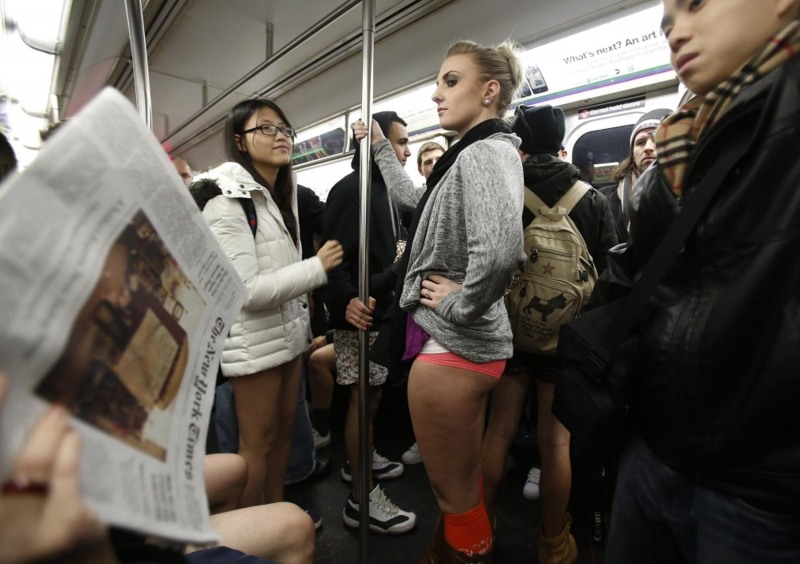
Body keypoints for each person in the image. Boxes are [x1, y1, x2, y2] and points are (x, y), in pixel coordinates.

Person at [601, 1, 800, 562]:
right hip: (653, 448)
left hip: (766, 490)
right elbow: (647, 272)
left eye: (695, 5)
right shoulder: (681, 140)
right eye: (665, 25)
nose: (676, 33)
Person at [354, 39, 525, 562]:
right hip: (463, 347)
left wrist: (458, 304)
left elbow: (500, 254)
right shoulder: (470, 155)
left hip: (455, 345)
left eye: (451, 81)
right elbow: (418, 206)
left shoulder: (484, 153)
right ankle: (461, 545)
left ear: (489, 91)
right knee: (462, 487)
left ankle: (468, 550)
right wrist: (382, 149)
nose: (436, 93)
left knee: (452, 497)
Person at [480, 105, 617, 564]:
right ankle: (554, 543)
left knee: (497, 431)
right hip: (567, 337)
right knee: (555, 442)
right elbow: (609, 274)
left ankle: (483, 528)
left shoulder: (508, 191)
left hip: (512, 331)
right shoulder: (593, 198)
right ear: (561, 140)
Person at [197, 98, 343, 506]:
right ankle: (251, 532)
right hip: (253, 338)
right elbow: (247, 290)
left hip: (284, 334)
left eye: (284, 128)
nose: (280, 136)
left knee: (282, 432)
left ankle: (275, 513)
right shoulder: (226, 199)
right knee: (257, 444)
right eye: (265, 128)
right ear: (239, 141)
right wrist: (317, 268)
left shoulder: (279, 194)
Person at [321, 110, 416, 535]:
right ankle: (361, 499)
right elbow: (331, 258)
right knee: (363, 400)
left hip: (381, 308)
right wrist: (345, 302)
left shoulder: (385, 193)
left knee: (372, 400)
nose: (406, 151)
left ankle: (363, 457)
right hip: (360, 313)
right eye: (398, 142)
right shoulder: (350, 192)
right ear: (375, 145)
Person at [400, 140, 446, 467]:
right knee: (421, 373)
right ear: (420, 169)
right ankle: (423, 438)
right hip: (422, 298)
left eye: (436, 160)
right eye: (426, 161)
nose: (431, 165)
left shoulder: (459, 193)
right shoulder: (415, 202)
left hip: (449, 301)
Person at [600, 108, 670, 243]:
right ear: (632, 154)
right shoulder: (606, 199)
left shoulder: (687, 193)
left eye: (657, 139)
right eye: (640, 142)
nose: (648, 147)